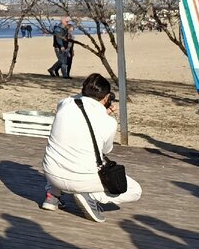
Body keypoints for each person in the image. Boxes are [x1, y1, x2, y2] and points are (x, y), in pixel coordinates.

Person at [41, 73, 142, 222]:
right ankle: (90, 195)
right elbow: (106, 150)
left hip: (51, 172)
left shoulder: (65, 103)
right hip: (81, 178)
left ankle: (52, 196)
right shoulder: (108, 122)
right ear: (107, 97)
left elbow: (79, 106)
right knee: (135, 190)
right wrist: (106, 113)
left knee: (63, 148)